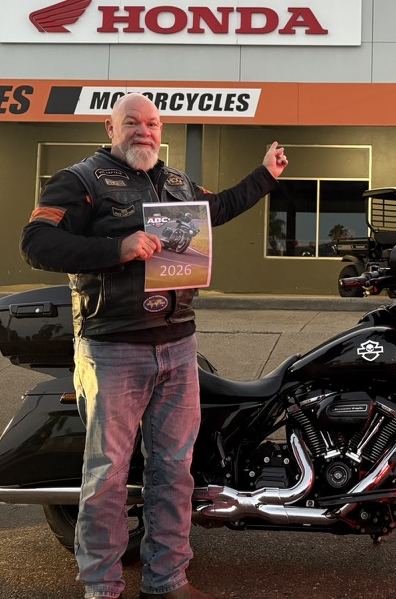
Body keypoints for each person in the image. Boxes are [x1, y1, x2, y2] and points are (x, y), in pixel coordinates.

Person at [20, 93, 288, 599]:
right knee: (106, 477)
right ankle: (101, 588)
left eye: (152, 123)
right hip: (113, 347)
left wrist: (264, 176)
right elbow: (35, 243)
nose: (144, 131)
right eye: (131, 123)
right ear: (110, 127)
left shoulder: (177, 183)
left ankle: (167, 582)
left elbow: (219, 207)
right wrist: (116, 249)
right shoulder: (80, 180)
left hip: (178, 345)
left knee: (173, 470)